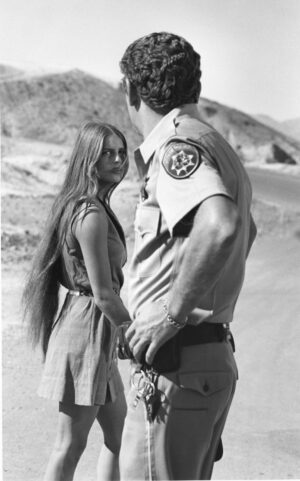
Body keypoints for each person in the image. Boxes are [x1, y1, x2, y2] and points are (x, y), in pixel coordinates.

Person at [118, 32, 257, 480]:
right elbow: (246, 230)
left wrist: (172, 313)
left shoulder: (178, 148)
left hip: (176, 366)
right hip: (206, 361)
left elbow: (222, 226)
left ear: (133, 90)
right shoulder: (215, 144)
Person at [22, 121, 132, 481]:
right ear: (89, 159)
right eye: (107, 153)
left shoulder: (92, 205)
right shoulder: (90, 214)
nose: (117, 160)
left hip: (95, 331)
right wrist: (132, 332)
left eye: (121, 152)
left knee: (121, 438)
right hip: (86, 331)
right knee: (69, 445)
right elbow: (102, 293)